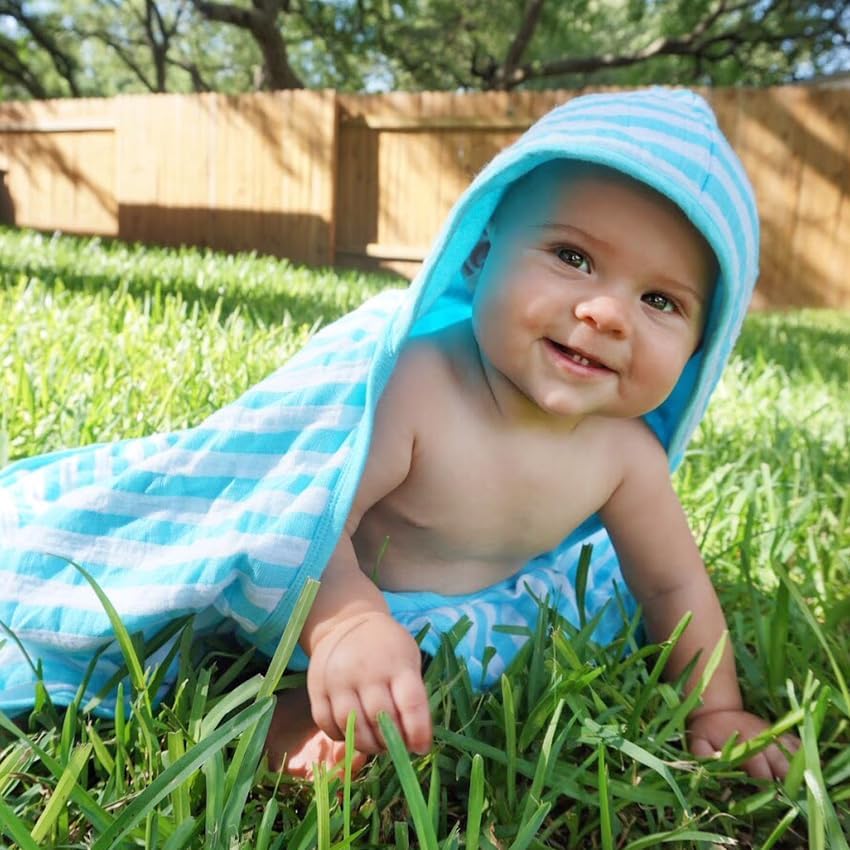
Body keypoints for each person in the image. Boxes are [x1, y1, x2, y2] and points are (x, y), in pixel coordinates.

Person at [0, 88, 793, 781]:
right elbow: (305, 522)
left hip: (466, 609)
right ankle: (276, 710)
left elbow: (672, 589)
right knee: (248, 651)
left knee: (434, 692)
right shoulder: (416, 386)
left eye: (662, 301)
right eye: (573, 255)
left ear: (700, 351)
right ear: (478, 256)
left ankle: (329, 707)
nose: (609, 312)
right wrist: (345, 622)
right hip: (322, 586)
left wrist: (715, 709)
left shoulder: (626, 457)